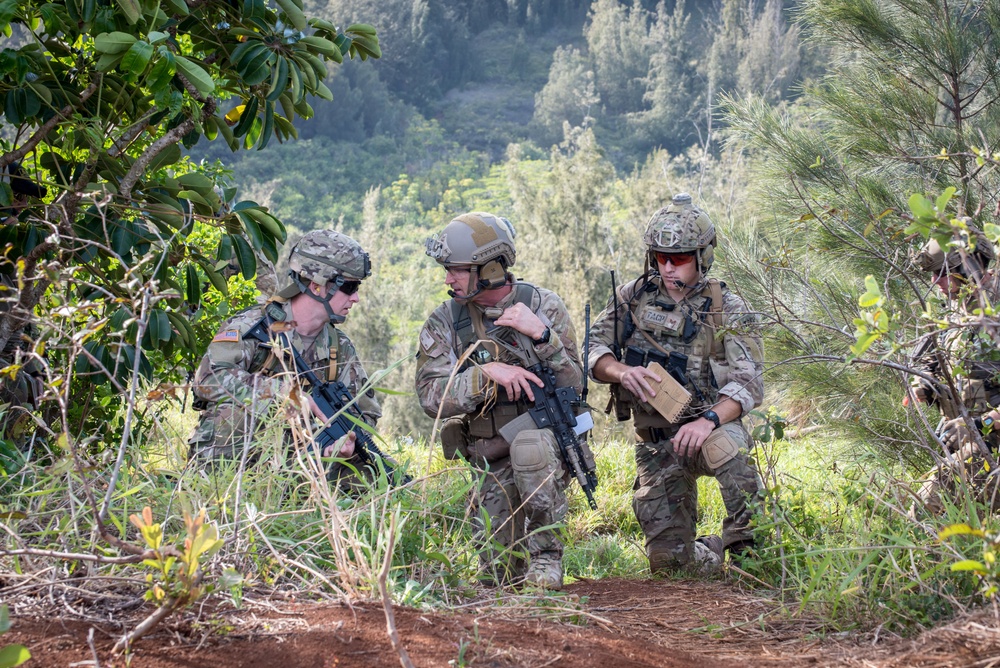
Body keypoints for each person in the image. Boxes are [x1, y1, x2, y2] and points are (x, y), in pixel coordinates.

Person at [588, 193, 764, 574]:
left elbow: (749, 383)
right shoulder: (633, 297)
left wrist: (709, 422)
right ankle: (709, 552)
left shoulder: (726, 307)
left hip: (708, 431)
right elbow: (592, 346)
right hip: (656, 442)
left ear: (702, 256)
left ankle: (748, 554)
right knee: (670, 566)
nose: (668, 267)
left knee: (730, 451)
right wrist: (620, 371)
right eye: (660, 258)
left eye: (680, 258)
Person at [415, 212, 588, 589]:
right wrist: (485, 374)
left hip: (543, 447)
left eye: (457, 270)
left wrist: (543, 337)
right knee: (497, 575)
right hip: (489, 450)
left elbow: (576, 384)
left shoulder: (544, 306)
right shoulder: (447, 320)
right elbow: (431, 398)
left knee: (531, 448)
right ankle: (509, 563)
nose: (448, 278)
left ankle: (546, 557)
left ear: (489, 268)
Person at [187, 229, 382, 482]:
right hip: (242, 457)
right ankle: (215, 489)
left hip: (306, 459)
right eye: (350, 286)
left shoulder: (339, 346)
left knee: (377, 473)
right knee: (235, 414)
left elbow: (365, 416)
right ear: (317, 285)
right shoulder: (253, 325)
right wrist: (287, 397)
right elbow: (208, 380)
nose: (355, 298)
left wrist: (344, 445)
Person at [910, 229, 1000, 514]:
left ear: (970, 264)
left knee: (928, 504)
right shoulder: (955, 314)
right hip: (969, 445)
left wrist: (980, 426)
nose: (935, 282)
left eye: (943, 273)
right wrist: (925, 383)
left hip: (989, 444)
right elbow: (934, 361)